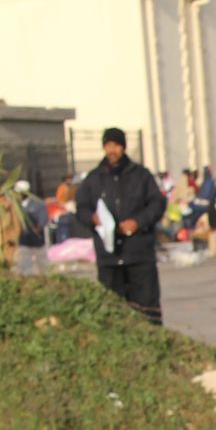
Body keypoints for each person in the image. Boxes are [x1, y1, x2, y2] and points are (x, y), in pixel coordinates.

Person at [75, 127, 166, 323]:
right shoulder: (94, 179)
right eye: (108, 145)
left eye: (115, 145)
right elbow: (81, 208)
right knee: (113, 311)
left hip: (139, 253)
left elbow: (157, 204)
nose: (111, 150)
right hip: (109, 258)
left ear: (123, 147)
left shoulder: (141, 176)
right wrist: (93, 218)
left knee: (146, 309)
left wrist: (138, 222)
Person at [15, 180, 49, 276]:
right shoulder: (14, 205)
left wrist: (36, 229)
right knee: (24, 264)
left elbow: (43, 220)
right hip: (23, 241)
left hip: (37, 241)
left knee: (42, 264)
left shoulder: (38, 204)